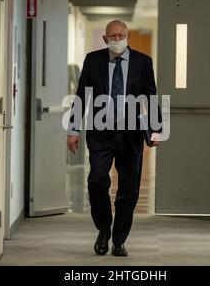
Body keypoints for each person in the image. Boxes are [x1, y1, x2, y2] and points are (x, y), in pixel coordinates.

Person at [67, 20, 161, 257]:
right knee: (97, 181)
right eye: (113, 36)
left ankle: (119, 240)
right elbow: (81, 96)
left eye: (122, 35)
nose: (118, 39)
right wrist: (73, 129)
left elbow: (151, 97)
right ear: (105, 39)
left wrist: (155, 129)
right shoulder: (93, 60)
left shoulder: (142, 62)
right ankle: (103, 229)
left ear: (127, 36)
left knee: (128, 189)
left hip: (130, 134)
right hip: (100, 134)